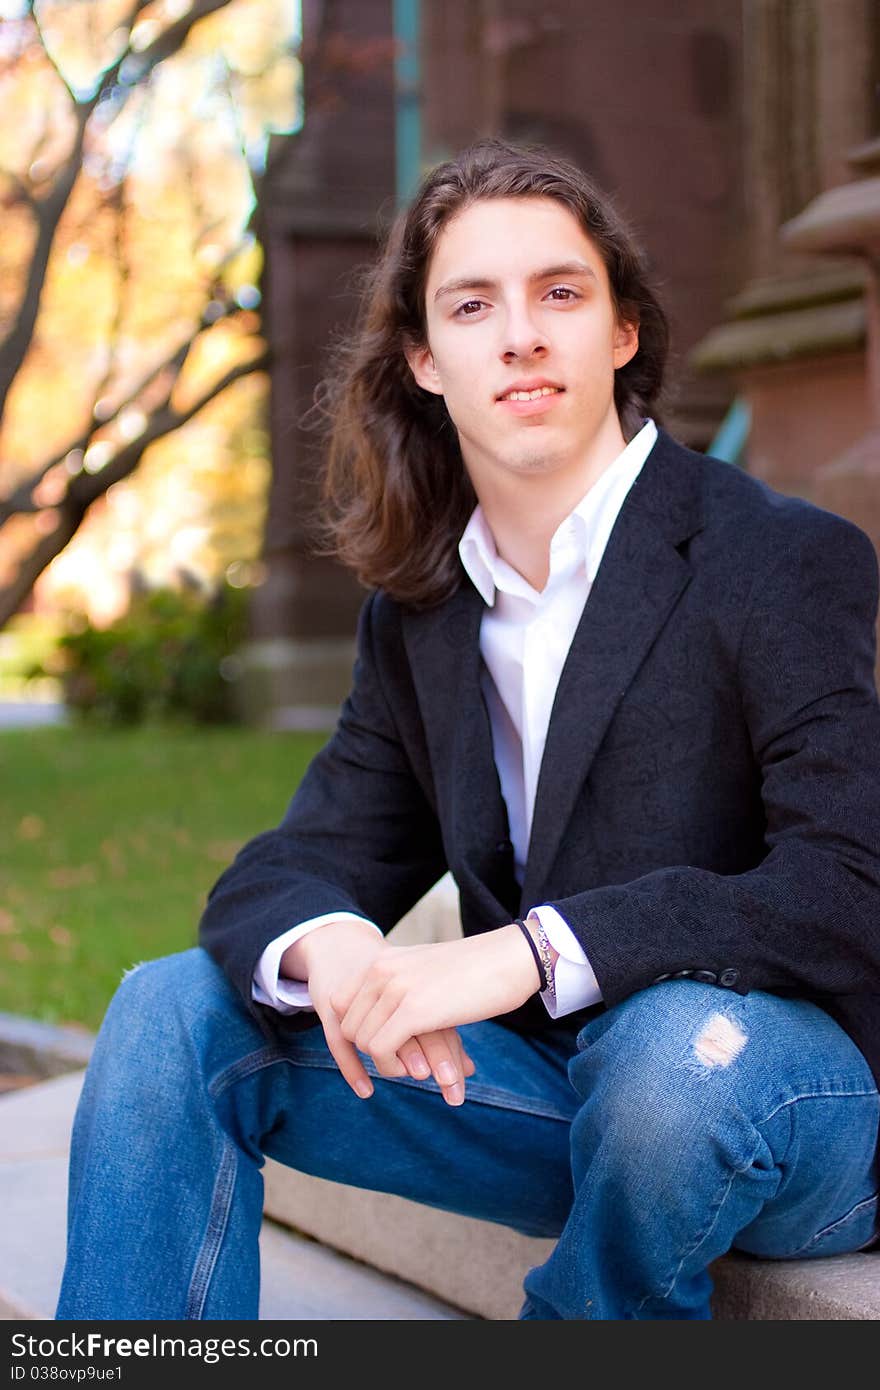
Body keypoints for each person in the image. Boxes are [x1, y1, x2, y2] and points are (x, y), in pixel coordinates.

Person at [56, 138, 880, 1322]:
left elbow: (848, 882)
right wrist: (331, 947)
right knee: (170, 1009)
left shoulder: (775, 558)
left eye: (560, 293)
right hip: (560, 1100)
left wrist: (530, 952)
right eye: (472, 305)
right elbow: (299, 860)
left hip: (782, 1105)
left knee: (663, 1060)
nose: (522, 334)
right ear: (424, 359)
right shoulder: (425, 614)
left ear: (622, 332)